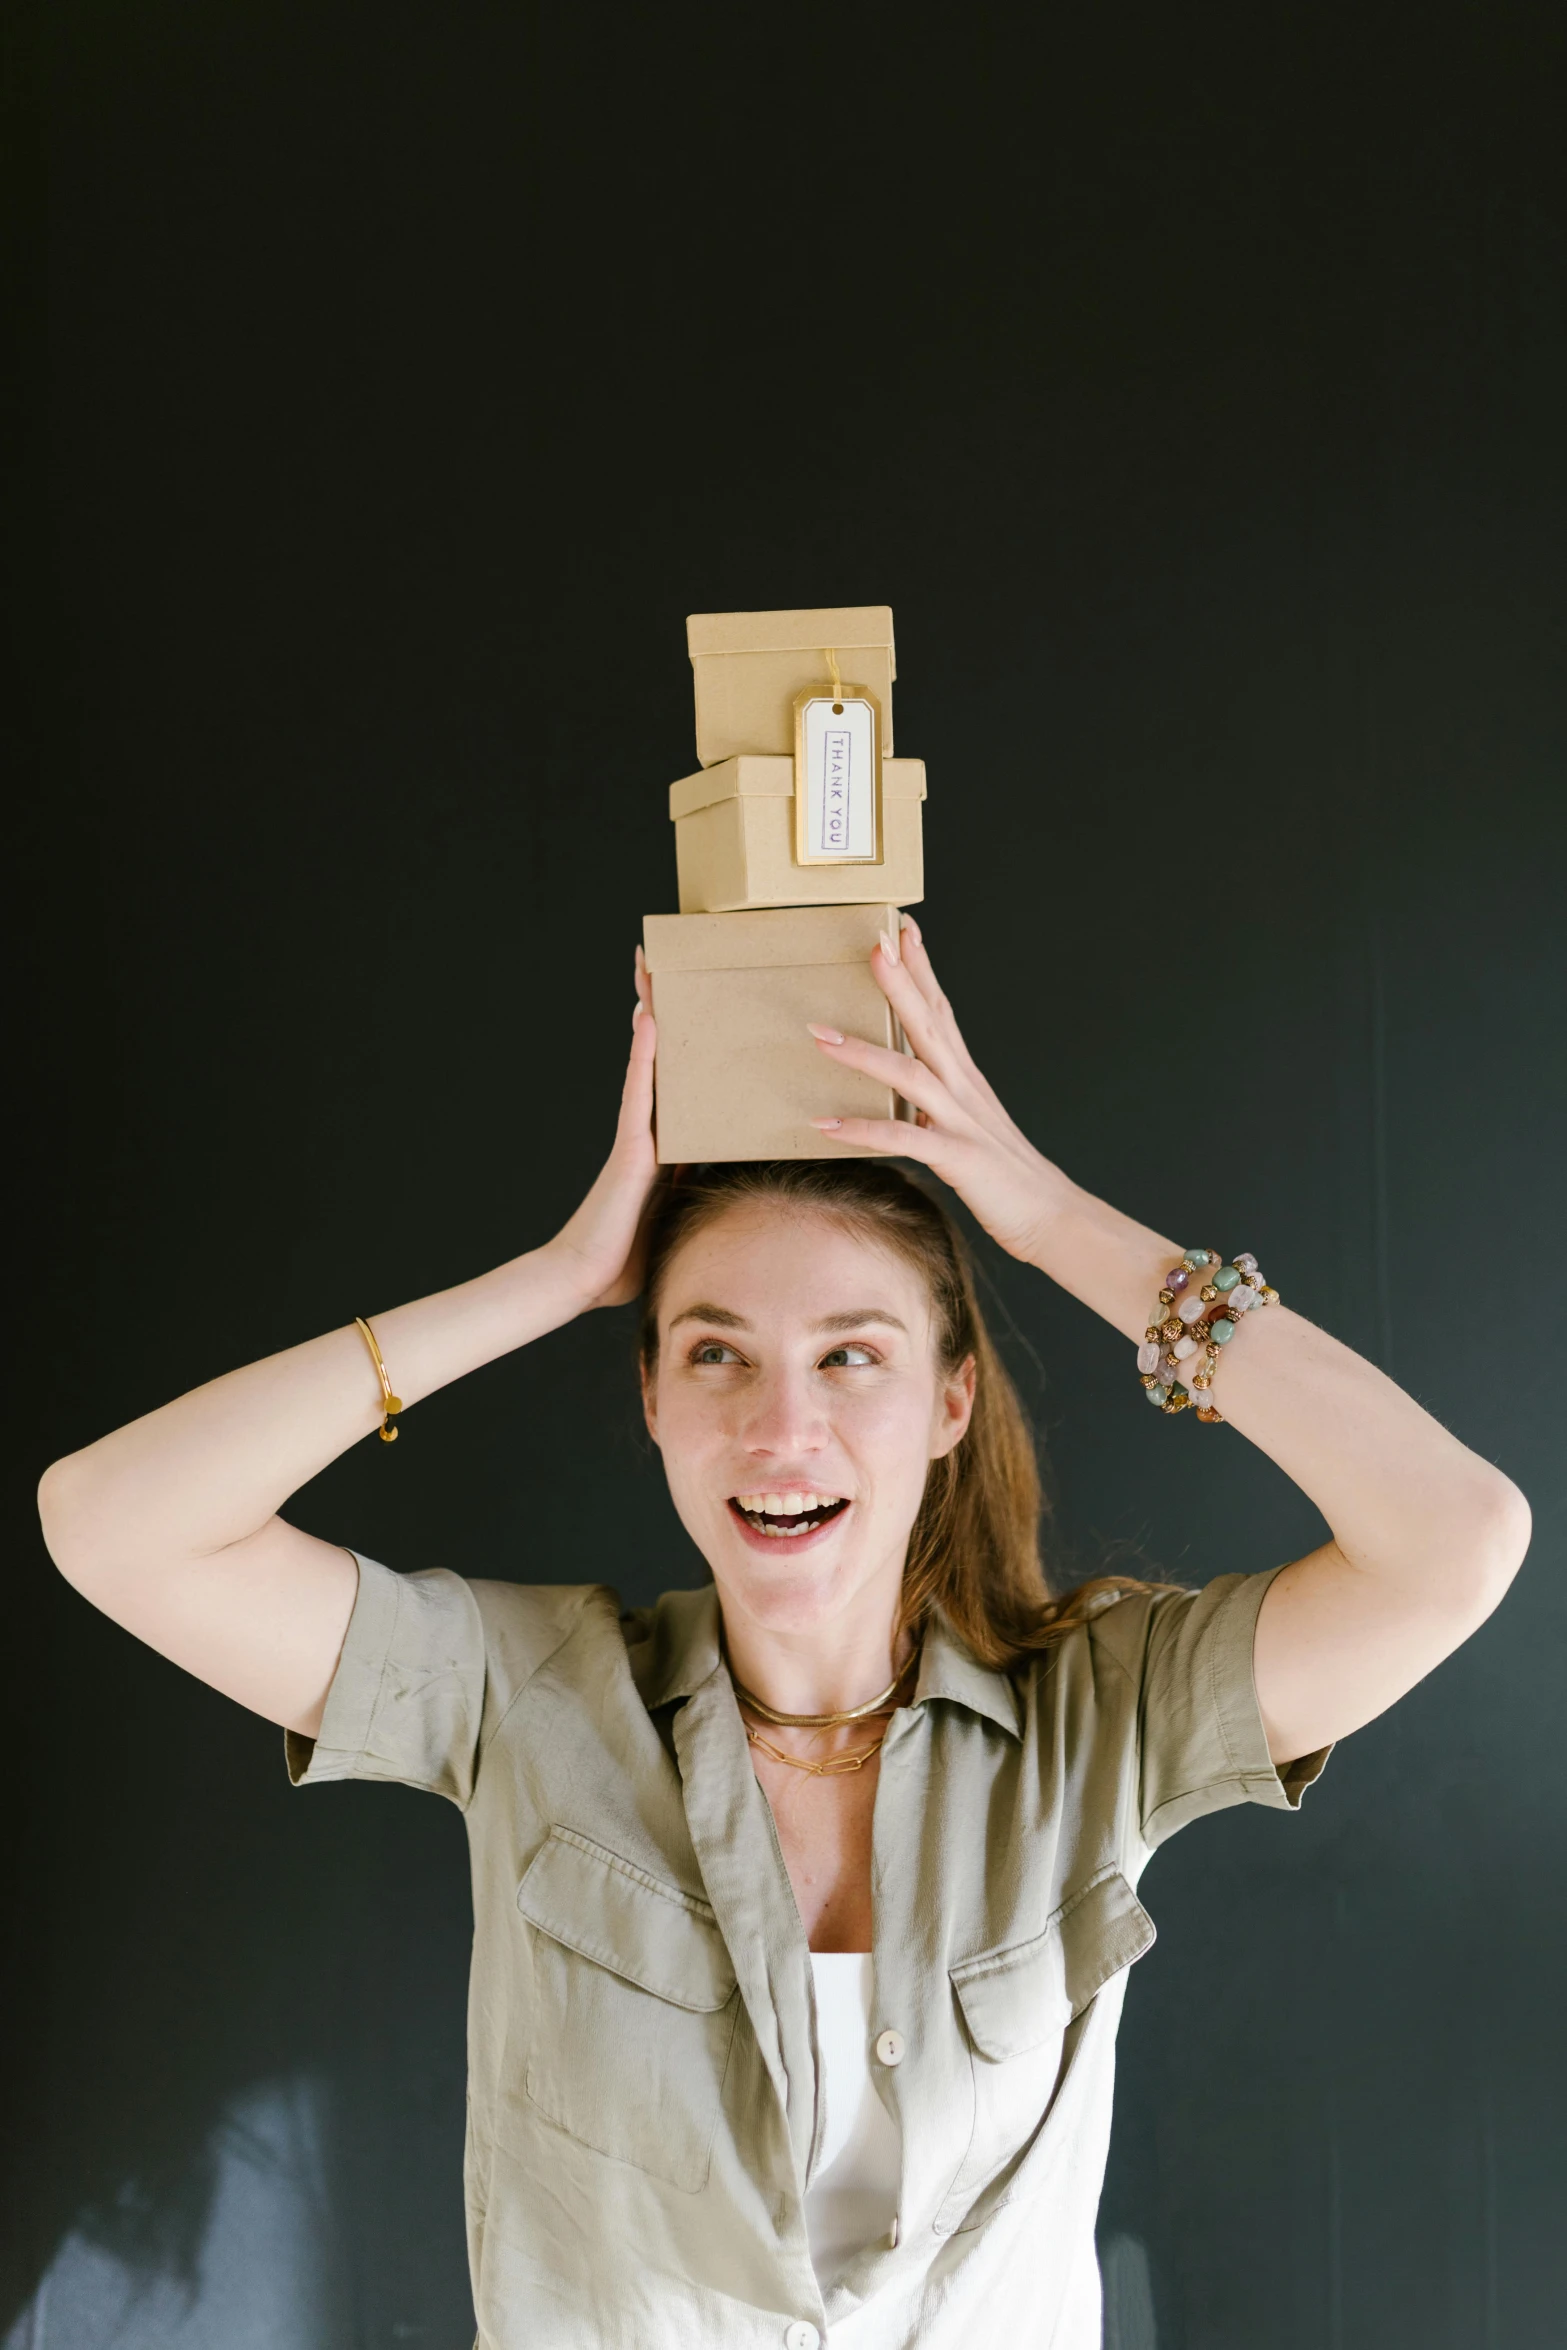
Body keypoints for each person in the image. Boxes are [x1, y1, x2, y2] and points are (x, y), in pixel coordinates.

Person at [38, 914, 1530, 2350]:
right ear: (650, 1397)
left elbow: (1454, 1536)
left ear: (950, 1401)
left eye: (851, 1355)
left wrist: (1039, 1214)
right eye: (714, 1353)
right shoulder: (520, 1693)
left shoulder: (1103, 1713)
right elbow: (112, 1520)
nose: (781, 1425)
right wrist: (552, 1276)